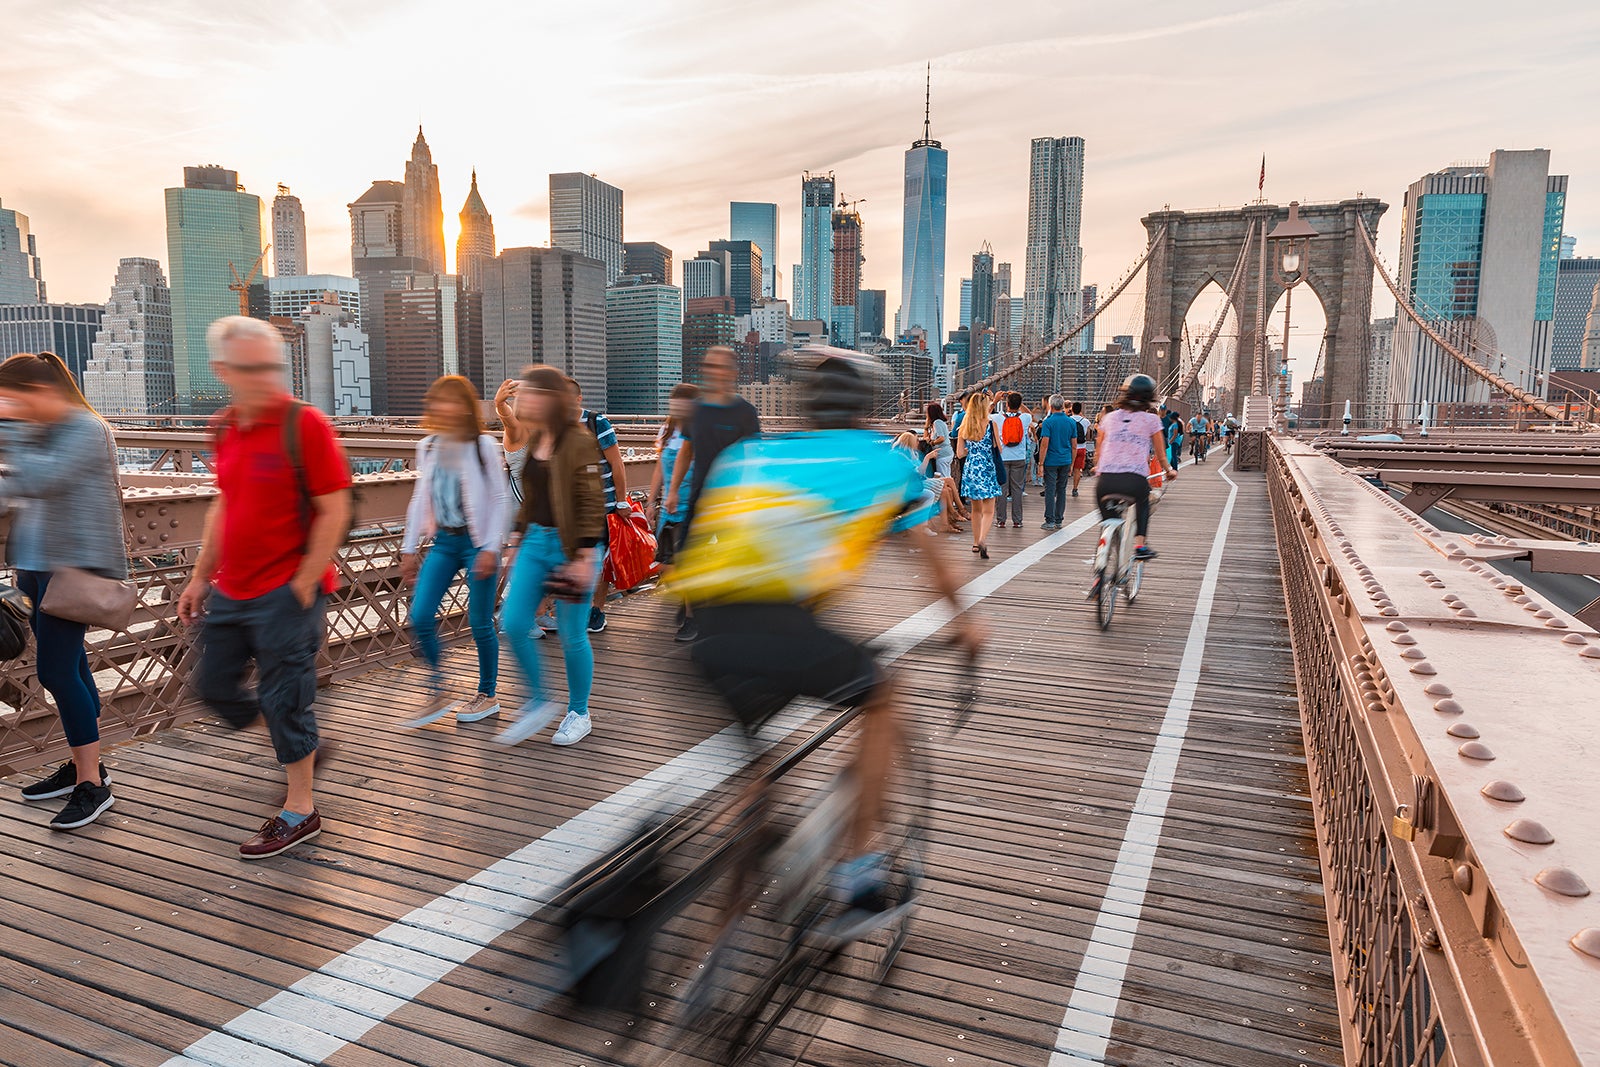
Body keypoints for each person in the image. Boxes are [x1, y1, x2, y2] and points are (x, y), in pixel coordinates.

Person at [669, 348, 979, 918]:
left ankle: (718, 946)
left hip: (703, 631)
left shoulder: (747, 455)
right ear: (864, 409)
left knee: (756, 778)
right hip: (784, 626)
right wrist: (967, 627)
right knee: (884, 696)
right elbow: (933, 565)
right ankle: (857, 877)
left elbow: (705, 541)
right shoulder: (884, 461)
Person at [176, 316, 353, 859]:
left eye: (273, 367)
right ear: (223, 371)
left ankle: (301, 810)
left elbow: (334, 506)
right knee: (213, 687)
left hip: (287, 590)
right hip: (234, 588)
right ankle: (300, 745)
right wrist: (202, 574)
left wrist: (304, 579)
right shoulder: (225, 426)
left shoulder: (306, 425)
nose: (267, 379)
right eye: (253, 370)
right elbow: (226, 502)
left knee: (286, 698)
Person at [0, 352, 129, 830]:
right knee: (72, 667)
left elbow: (38, 480)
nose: (8, 405)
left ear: (39, 392)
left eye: (12, 397)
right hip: (35, 565)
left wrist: (8, 429)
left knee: (56, 672)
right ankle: (81, 768)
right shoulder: (44, 430)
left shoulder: (84, 429)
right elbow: (14, 491)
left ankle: (93, 786)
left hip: (71, 569)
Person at [494, 365, 606, 747]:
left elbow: (592, 499)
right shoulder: (536, 435)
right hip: (536, 543)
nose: (523, 398)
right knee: (512, 621)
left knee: (573, 635)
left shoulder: (577, 439)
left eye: (529, 392)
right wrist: (515, 538)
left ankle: (579, 712)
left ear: (549, 398)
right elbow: (532, 495)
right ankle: (539, 700)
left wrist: (587, 553)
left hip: (573, 545)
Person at [398, 375, 511, 727]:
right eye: (438, 401)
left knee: (479, 621)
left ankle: (487, 694)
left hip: (478, 544)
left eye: (452, 401)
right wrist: (408, 546)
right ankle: (438, 687)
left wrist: (492, 548)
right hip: (444, 542)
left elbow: (500, 498)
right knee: (420, 615)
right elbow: (421, 497)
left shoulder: (483, 445)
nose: (444, 407)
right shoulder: (428, 446)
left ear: (464, 406)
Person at [663, 345, 761, 642]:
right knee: (689, 556)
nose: (714, 372)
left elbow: (753, 456)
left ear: (732, 372)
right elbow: (686, 450)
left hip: (733, 500)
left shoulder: (745, 412)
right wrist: (672, 491)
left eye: (720, 367)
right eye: (709, 366)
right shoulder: (697, 410)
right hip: (699, 498)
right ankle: (692, 618)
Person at [1093, 374, 1177, 586]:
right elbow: (1160, 455)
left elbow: (1099, 450)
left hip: (1105, 483)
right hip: (1134, 481)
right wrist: (1169, 470)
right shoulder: (1152, 420)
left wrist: (1097, 466)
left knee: (1108, 522)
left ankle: (1099, 571)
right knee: (1143, 503)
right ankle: (1140, 545)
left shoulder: (1109, 418)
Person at [573, 382, 627, 634]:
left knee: (600, 562)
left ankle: (598, 610)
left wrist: (621, 500)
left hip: (603, 506)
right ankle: (579, 610)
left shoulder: (597, 422)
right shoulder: (555, 428)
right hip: (573, 510)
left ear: (578, 398)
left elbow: (616, 464)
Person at [648, 382, 699, 567]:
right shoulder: (666, 431)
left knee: (688, 565)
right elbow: (659, 468)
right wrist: (651, 502)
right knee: (666, 564)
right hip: (669, 508)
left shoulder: (699, 432)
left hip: (692, 508)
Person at [956, 393, 1002, 559]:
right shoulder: (991, 424)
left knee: (975, 509)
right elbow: (999, 448)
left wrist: (972, 451)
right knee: (989, 509)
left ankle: (975, 544)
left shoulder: (964, 425)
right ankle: (982, 539)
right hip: (987, 467)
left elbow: (960, 454)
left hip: (971, 469)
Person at [1035, 394, 1080, 530]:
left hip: (1051, 461)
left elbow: (1044, 444)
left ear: (1051, 406)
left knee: (1050, 489)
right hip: (1065, 460)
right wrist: (1072, 464)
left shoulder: (1048, 422)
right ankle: (1059, 519)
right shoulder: (1071, 422)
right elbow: (1074, 445)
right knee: (1061, 489)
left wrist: (1040, 464)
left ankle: (1049, 520)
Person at [989, 392, 1032, 528]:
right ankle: (1017, 521)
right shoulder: (1025, 418)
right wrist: (1019, 403)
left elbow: (983, 415)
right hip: (1019, 457)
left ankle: (1001, 520)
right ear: (1019, 405)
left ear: (1006, 405)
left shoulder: (997, 418)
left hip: (1002, 457)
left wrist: (995, 401)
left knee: (1001, 488)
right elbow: (1029, 413)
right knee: (1017, 489)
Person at [922, 402, 953, 479]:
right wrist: (926, 426)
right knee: (946, 476)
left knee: (943, 478)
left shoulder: (937, 422)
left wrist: (932, 443)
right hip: (945, 453)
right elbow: (925, 438)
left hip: (942, 454)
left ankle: (949, 490)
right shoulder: (937, 423)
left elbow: (941, 438)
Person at [1069, 401, 1092, 496]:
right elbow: (1088, 435)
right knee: (1077, 470)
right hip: (1082, 448)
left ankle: (1060, 488)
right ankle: (1075, 489)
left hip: (1070, 447)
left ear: (1072, 409)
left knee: (1064, 468)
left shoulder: (1068, 419)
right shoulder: (1086, 421)